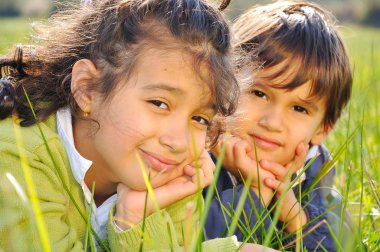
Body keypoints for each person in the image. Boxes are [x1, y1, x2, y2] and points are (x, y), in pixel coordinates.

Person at [0, 0, 253, 250]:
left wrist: (133, 216)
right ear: (87, 89)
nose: (178, 142)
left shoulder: (168, 171)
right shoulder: (16, 155)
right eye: (159, 103)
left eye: (199, 119)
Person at [204, 1, 356, 251]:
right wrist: (254, 191)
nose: (272, 123)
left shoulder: (313, 167)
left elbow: (344, 240)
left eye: (299, 109)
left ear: (322, 129)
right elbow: (195, 238)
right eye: (259, 93)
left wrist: (296, 218)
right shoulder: (198, 153)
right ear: (225, 84)